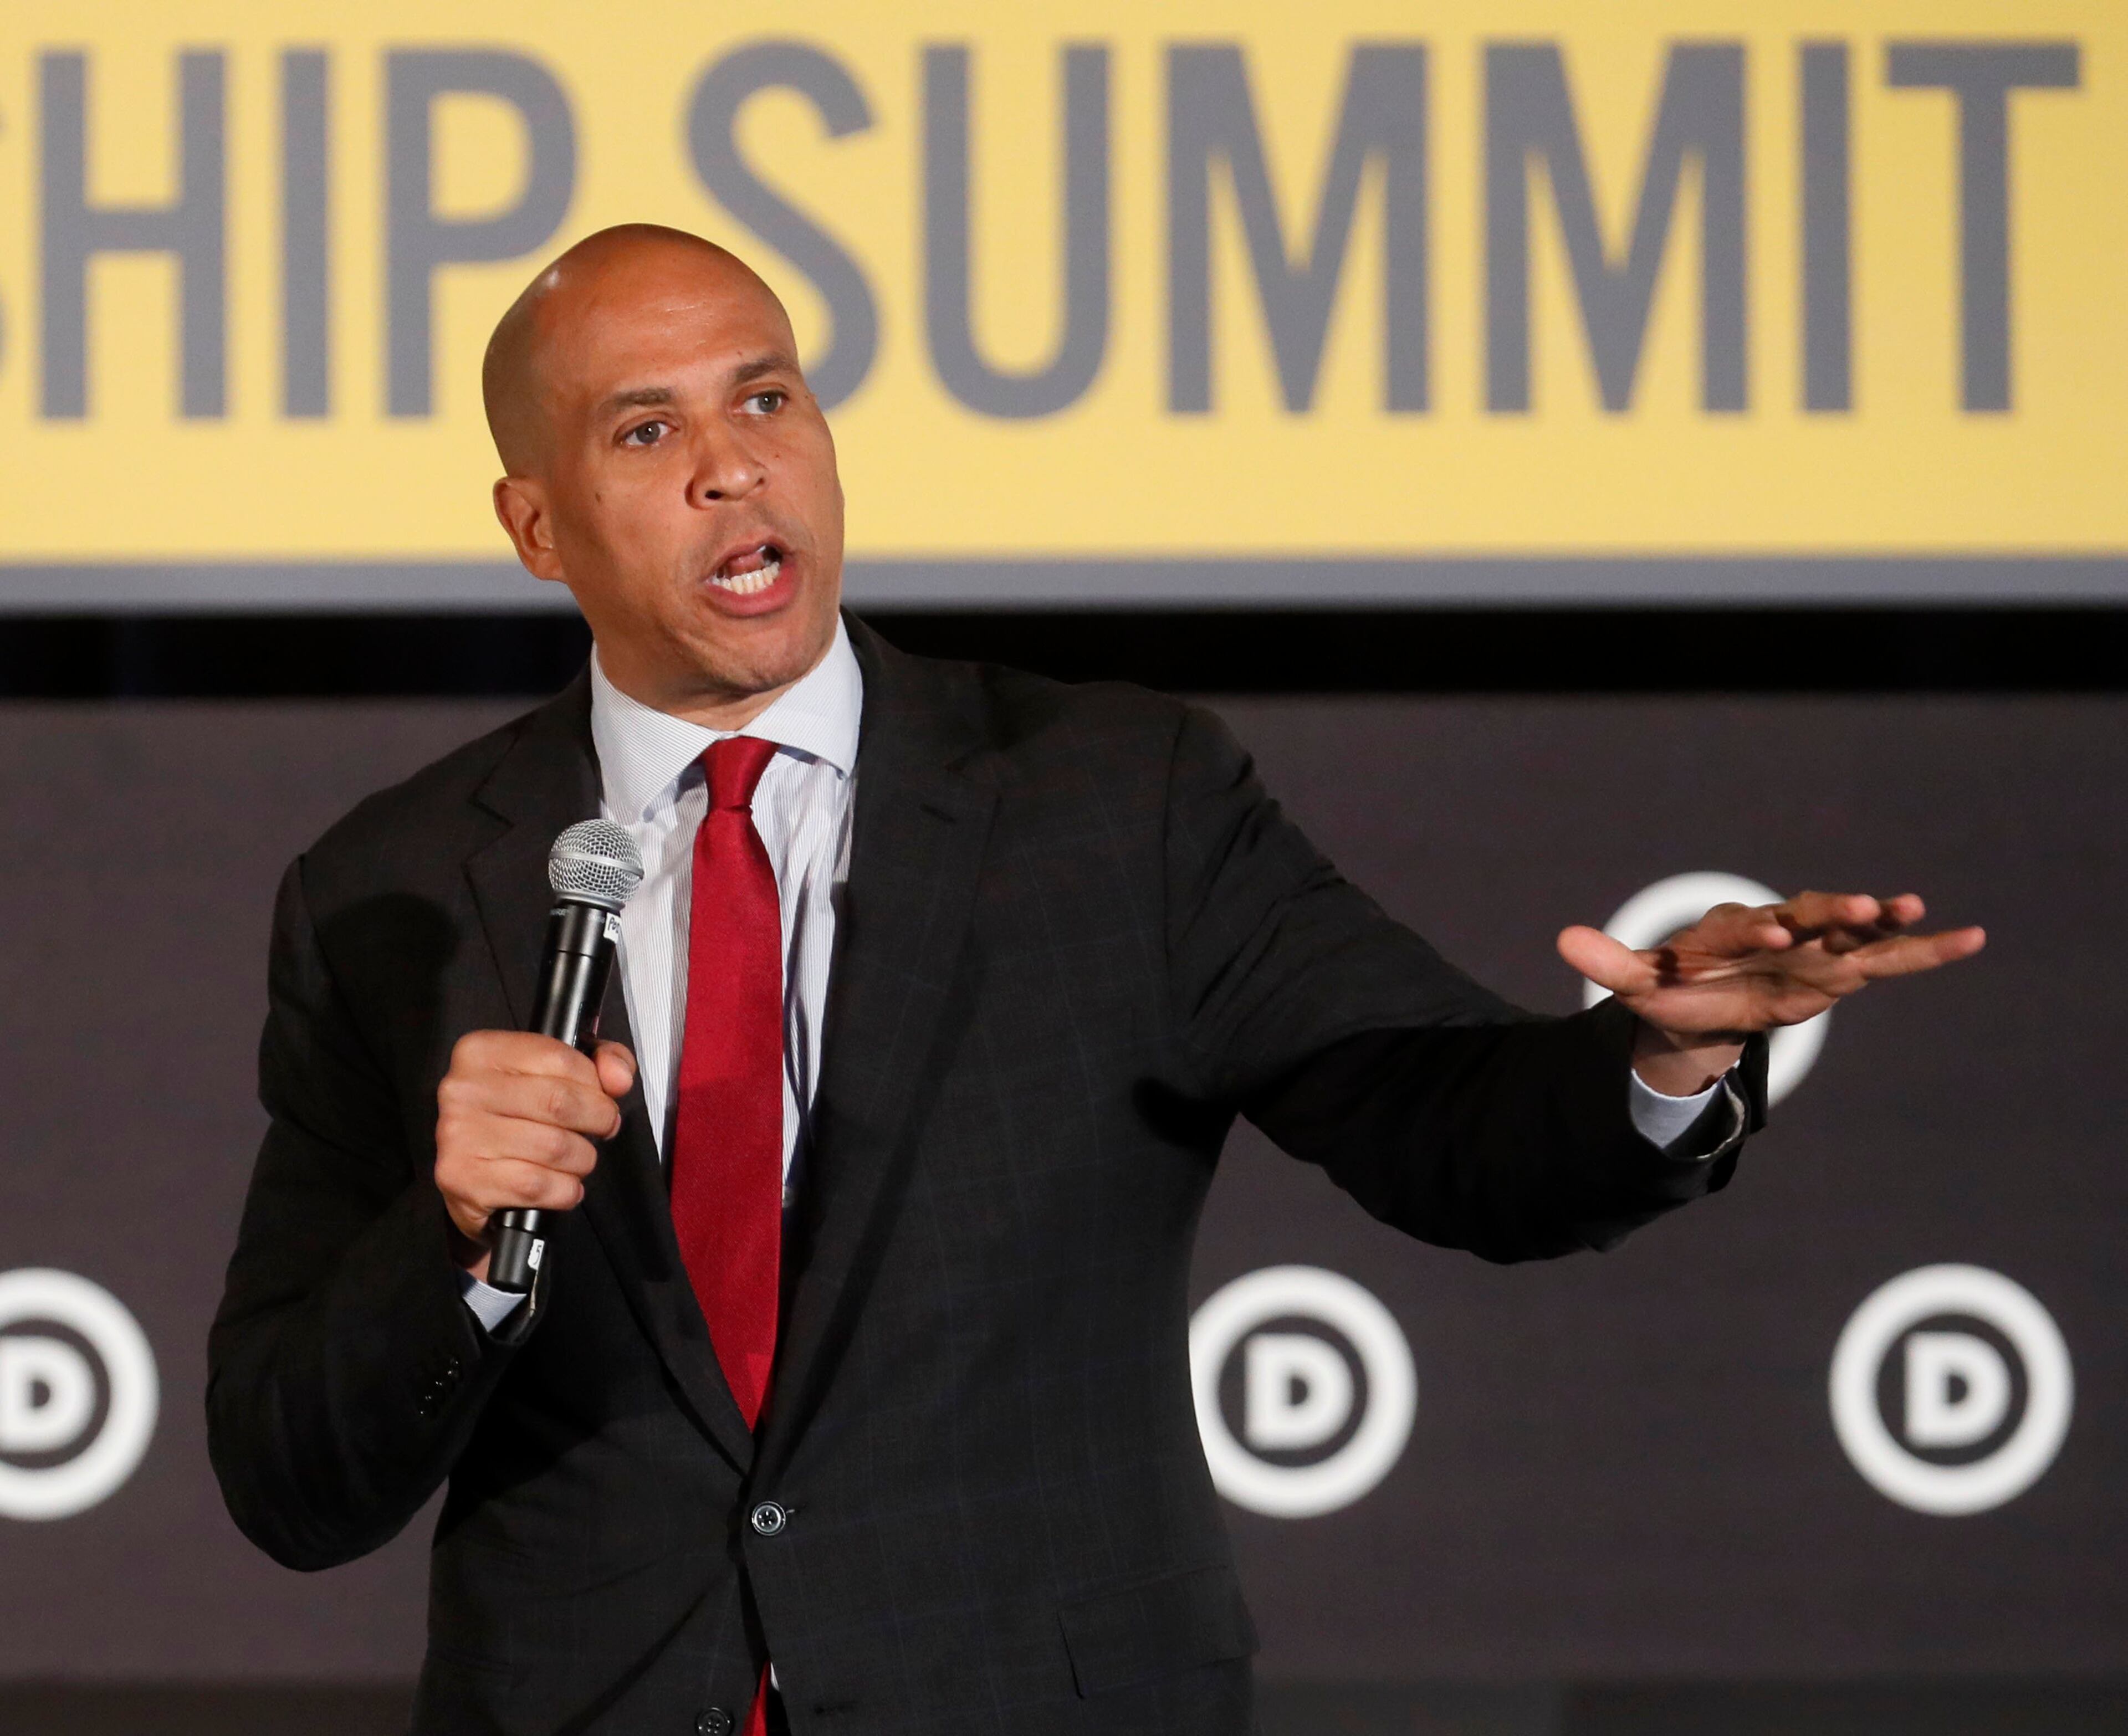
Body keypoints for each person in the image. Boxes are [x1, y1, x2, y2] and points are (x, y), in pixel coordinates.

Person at [206, 224, 1984, 1736]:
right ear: (535, 526)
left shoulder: (1108, 800)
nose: (733, 466)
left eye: (767, 396)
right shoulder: (394, 891)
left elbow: (1445, 1120)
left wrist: (1651, 1061)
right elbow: (289, 1478)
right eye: (645, 429)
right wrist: (446, 1245)